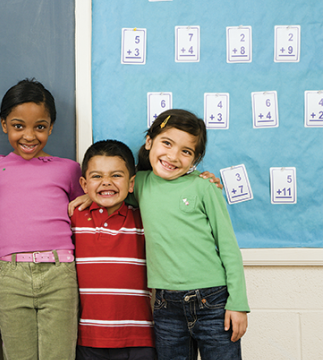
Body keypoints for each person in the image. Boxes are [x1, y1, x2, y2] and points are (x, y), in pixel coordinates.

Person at [0, 79, 84, 359]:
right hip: (12, 276)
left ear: (51, 127)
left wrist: (88, 199)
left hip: (60, 273)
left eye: (40, 127)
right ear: (4, 125)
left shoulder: (69, 170)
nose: (29, 136)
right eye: (18, 126)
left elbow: (86, 206)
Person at [133, 109, 249, 360]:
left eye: (186, 151)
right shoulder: (139, 183)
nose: (173, 156)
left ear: (195, 159)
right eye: (167, 143)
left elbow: (228, 246)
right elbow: (110, 187)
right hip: (166, 305)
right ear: (149, 141)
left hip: (213, 301)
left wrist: (238, 303)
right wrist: (90, 193)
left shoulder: (204, 186)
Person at [72, 140, 156, 360]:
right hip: (88, 339)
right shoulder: (73, 218)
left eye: (116, 175)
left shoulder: (145, 219)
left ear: (131, 183)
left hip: (139, 339)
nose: (106, 183)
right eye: (97, 176)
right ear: (84, 183)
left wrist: (200, 178)